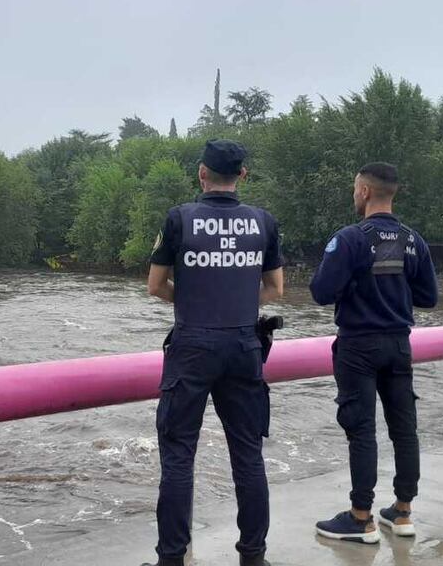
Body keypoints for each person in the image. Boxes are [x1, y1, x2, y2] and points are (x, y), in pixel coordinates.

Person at [142, 139, 284, 566]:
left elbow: (154, 286)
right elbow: (275, 290)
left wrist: (194, 303)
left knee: (179, 455)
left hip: (192, 347)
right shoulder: (263, 222)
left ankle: (171, 559)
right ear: (241, 176)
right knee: (247, 455)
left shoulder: (179, 219)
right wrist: (236, 303)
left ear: (202, 173)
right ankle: (253, 557)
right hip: (244, 345)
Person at [309, 162, 438, 544]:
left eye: (354, 188)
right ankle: (402, 513)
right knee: (404, 429)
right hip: (399, 344)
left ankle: (360, 517)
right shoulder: (414, 241)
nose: (354, 194)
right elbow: (429, 297)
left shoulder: (350, 239)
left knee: (361, 430)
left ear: (365, 191)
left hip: (358, 346)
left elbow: (320, 292)